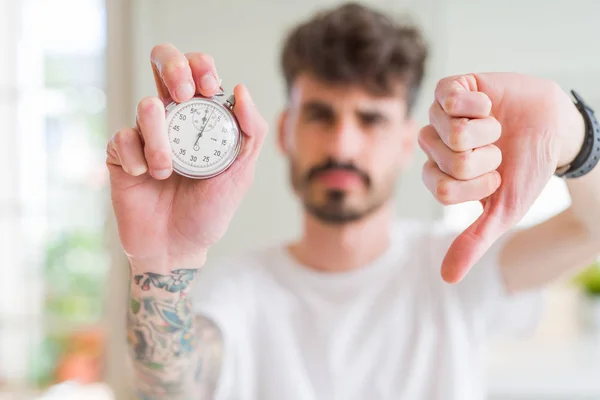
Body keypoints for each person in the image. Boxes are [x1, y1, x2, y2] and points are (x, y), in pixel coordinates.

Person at [106, 3, 600, 400]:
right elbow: (168, 388)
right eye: (320, 115)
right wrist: (162, 264)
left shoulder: (455, 270)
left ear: (409, 141)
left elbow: (591, 231)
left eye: (371, 120)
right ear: (285, 132)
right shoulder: (238, 291)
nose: (342, 145)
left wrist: (575, 138)